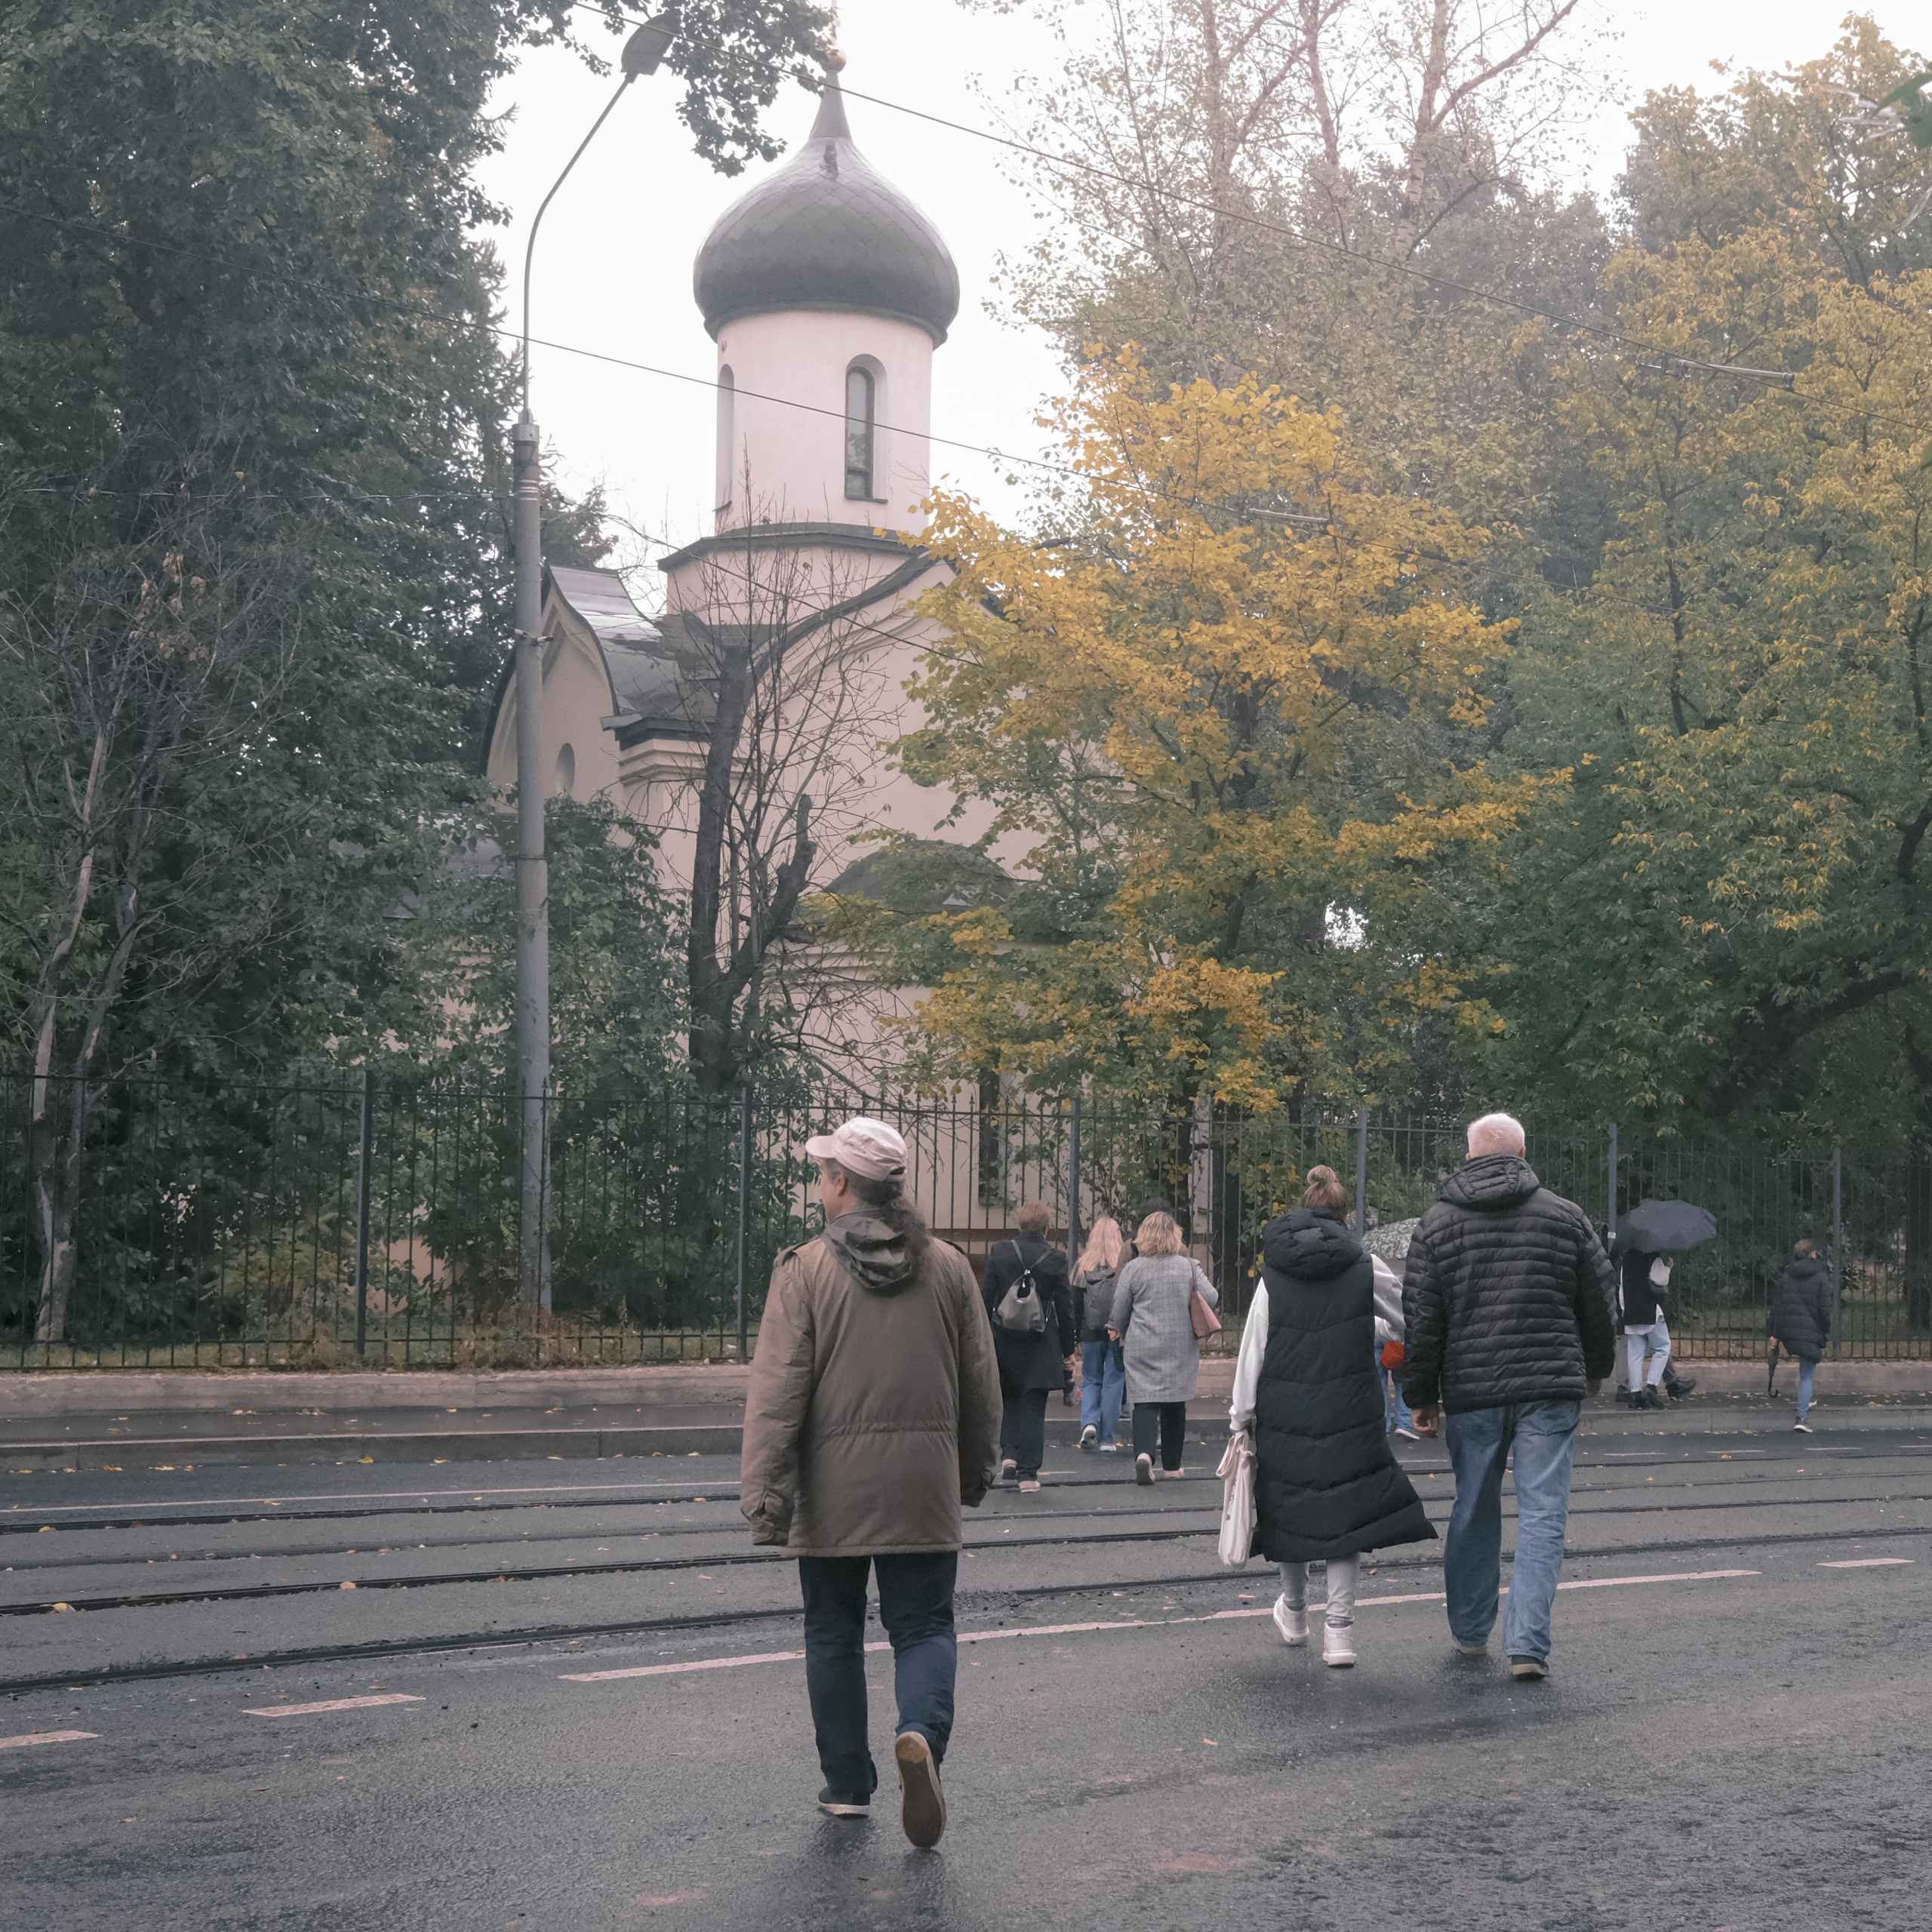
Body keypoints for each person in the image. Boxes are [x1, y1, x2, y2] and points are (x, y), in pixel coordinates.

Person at [740, 1115, 1001, 1847]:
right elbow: (982, 1384)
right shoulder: (949, 1267)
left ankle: (849, 1786)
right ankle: (918, 1735)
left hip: (831, 1490)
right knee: (922, 1626)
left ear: (842, 1184)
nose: (820, 1180)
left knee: (832, 1631)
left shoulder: (804, 1271)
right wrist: (975, 1471)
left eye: (824, 1170)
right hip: (922, 1483)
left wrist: (764, 1495)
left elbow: (777, 1394)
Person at [1401, 1111, 1617, 1681]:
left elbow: (1423, 1322)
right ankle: (1527, 1646)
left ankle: (1471, 1633)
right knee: (1544, 1511)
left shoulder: (1436, 1224)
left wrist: (1420, 1396)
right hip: (1549, 1386)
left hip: (1471, 1391)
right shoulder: (1566, 1217)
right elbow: (1599, 1305)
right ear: (1524, 1156)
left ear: (1469, 1159)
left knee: (1473, 1506)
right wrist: (1595, 1370)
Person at [1231, 1167, 1435, 1666]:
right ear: (1346, 1218)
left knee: (1290, 1509)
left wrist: (1241, 1417)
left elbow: (1251, 1350)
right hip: (1352, 1407)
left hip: (1284, 1409)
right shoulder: (1364, 1266)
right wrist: (1381, 1327)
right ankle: (1339, 1633)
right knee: (1346, 1516)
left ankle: (1296, 1613)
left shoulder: (1273, 1275)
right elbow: (1411, 1318)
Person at [1109, 1210, 1218, 1484]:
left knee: (1144, 1402)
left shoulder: (1134, 1268)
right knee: (1175, 1404)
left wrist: (1123, 1333)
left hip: (1142, 1346)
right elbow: (1212, 1298)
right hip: (1180, 1346)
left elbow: (1119, 1311)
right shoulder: (1189, 1266)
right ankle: (1172, 1465)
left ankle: (1144, 1454)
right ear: (1176, 1236)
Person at [980, 1201, 1077, 1494]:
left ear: (1020, 1225)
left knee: (1008, 1399)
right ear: (1047, 1227)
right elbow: (1065, 1307)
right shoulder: (1056, 1258)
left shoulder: (1001, 1251)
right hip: (1041, 1341)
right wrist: (1068, 1350)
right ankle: (1028, 1474)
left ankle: (1008, 1456)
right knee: (1034, 1407)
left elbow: (986, 1297)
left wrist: (983, 1338)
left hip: (1004, 1338)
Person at [1072, 1217, 1128, 1452]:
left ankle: (1088, 1423)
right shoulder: (1124, 1266)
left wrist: (1076, 1337)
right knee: (1114, 1383)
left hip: (1091, 1332)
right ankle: (1107, 1438)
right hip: (1116, 1332)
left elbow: (1074, 1305)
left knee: (1092, 1380)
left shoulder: (1082, 1265)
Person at [1770, 1238, 1835, 1432]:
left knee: (1805, 1369)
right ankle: (1801, 1416)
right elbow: (1824, 1309)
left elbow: (1777, 1305)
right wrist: (1825, 1328)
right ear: (1813, 1254)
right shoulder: (1821, 1277)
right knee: (1807, 1375)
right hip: (1810, 1329)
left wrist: (1773, 1332)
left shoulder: (1787, 1276)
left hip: (1788, 1329)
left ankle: (1804, 1400)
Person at [1620, 1245, 1675, 1411]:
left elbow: (1622, 1285)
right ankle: (1651, 1387)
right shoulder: (1653, 1256)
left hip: (1630, 1312)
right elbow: (1661, 1280)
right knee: (1663, 1347)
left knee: (1635, 1355)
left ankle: (1636, 1395)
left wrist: (1624, 1309)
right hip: (1649, 1311)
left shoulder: (1627, 1257)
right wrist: (1668, 1268)